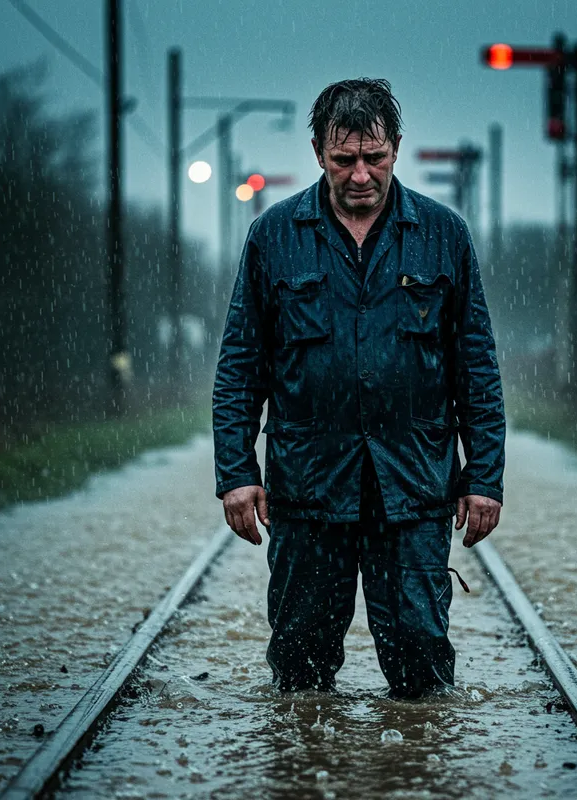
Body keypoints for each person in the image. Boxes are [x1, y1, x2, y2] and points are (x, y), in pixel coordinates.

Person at [213, 78, 505, 698]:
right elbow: (241, 365)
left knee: (423, 661)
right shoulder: (274, 236)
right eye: (345, 159)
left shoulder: (443, 235)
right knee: (300, 666)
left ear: (396, 148)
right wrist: (236, 472)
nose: (361, 174)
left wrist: (484, 479)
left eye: (375, 157)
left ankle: (416, 779)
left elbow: (475, 367)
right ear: (318, 151)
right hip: (309, 486)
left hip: (415, 487)